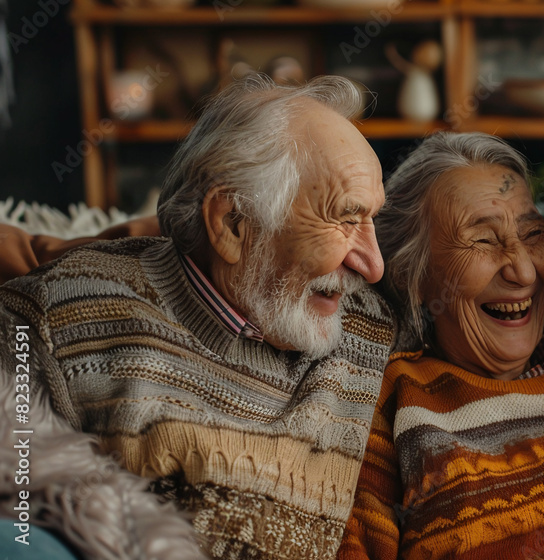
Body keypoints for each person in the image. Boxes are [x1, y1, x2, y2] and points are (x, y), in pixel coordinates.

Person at [0, 74, 394, 559]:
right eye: (346, 219)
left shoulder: (370, 323)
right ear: (232, 223)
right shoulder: (57, 314)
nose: (373, 265)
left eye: (372, 219)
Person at [336, 131, 544, 559]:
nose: (523, 271)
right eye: (483, 240)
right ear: (413, 273)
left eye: (532, 232)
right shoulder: (391, 400)